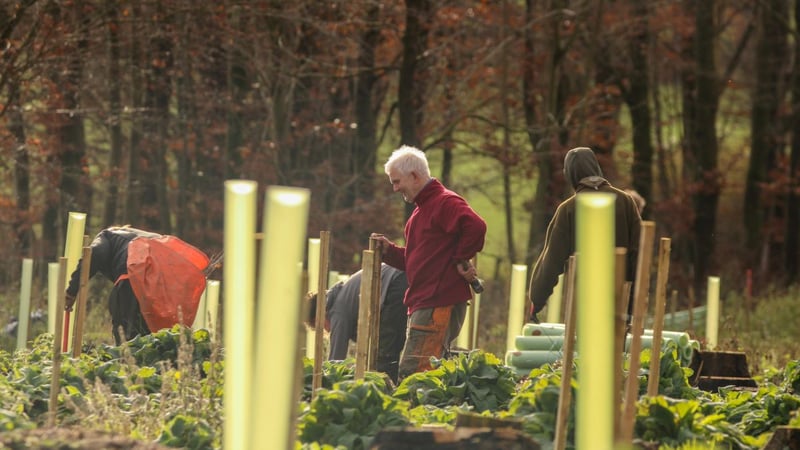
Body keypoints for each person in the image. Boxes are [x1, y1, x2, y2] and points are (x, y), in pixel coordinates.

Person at [371, 145, 487, 380]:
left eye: (397, 182)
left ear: (414, 176)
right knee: (426, 374)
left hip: (437, 303)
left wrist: (460, 258)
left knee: (414, 374)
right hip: (426, 302)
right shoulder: (420, 212)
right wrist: (389, 252)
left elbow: (476, 226)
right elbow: (417, 261)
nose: (395, 188)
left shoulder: (444, 202)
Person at [528, 146, 642, 322]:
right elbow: (638, 253)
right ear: (595, 168)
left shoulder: (569, 209)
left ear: (570, 175)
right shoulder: (625, 202)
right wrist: (634, 301)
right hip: (622, 301)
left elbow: (551, 261)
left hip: (585, 303)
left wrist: (537, 301)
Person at [304, 264, 409, 382]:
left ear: (319, 317)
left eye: (322, 327)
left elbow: (335, 361)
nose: (327, 331)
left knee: (385, 355)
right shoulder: (341, 295)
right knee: (393, 346)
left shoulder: (337, 311)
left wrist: (327, 382)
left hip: (394, 283)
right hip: (400, 275)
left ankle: (389, 388)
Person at [65, 225, 161, 345]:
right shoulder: (147, 237)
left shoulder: (108, 235)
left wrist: (71, 292)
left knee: (126, 329)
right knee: (156, 330)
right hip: (165, 276)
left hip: (134, 273)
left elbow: (95, 253)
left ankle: (127, 354)